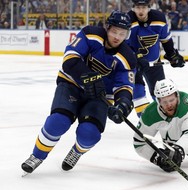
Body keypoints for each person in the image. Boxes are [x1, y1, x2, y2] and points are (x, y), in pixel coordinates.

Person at [21, 11, 137, 174]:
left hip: (99, 97)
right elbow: (70, 59)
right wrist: (88, 77)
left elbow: (124, 86)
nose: (117, 37)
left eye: (122, 33)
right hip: (71, 85)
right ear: (107, 27)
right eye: (114, 31)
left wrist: (122, 104)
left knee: (89, 134)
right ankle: (37, 156)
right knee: (58, 122)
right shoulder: (90, 34)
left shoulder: (127, 57)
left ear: (127, 34)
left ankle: (76, 151)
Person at [126, 0, 185, 117]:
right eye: (138, 7)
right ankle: (145, 120)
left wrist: (172, 55)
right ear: (133, 8)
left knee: (160, 92)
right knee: (138, 92)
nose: (141, 11)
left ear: (149, 8)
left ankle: (166, 117)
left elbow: (166, 40)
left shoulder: (159, 18)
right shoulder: (128, 20)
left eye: (144, 7)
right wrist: (135, 58)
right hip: (133, 65)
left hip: (154, 63)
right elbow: (124, 46)